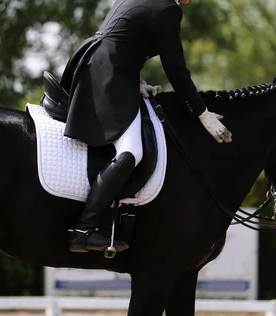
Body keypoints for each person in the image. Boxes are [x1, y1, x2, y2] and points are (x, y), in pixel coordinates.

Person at [61, 0, 233, 253]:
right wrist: (202, 114)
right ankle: (84, 229)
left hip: (100, 65)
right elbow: (176, 69)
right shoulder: (168, 9)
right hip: (109, 75)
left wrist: (137, 82)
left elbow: (121, 39)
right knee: (132, 151)